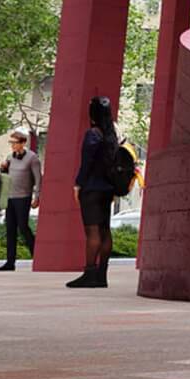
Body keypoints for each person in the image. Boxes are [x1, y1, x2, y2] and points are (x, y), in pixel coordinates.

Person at [68, 95, 122, 290]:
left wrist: (78, 184)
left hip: (91, 188)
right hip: (108, 189)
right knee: (105, 230)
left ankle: (89, 272)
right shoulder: (111, 135)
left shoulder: (93, 134)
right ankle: (101, 275)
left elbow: (86, 163)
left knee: (92, 231)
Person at [0, 127, 40, 270]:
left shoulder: (32, 158)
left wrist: (37, 196)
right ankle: (10, 262)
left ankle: (37, 254)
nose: (12, 145)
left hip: (23, 197)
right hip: (10, 197)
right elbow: (5, 176)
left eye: (15, 142)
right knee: (10, 229)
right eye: (11, 142)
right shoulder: (10, 157)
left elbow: (38, 179)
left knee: (23, 226)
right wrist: (2, 168)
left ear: (23, 143)